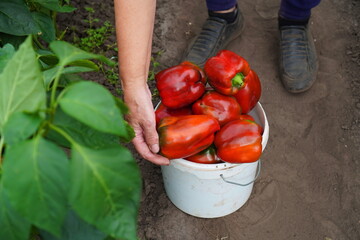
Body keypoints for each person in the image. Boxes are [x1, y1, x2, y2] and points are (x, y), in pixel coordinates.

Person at [113, 0, 321, 165]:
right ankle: (224, 14)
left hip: (211, 124)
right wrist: (133, 86)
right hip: (209, 125)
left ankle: (295, 18)